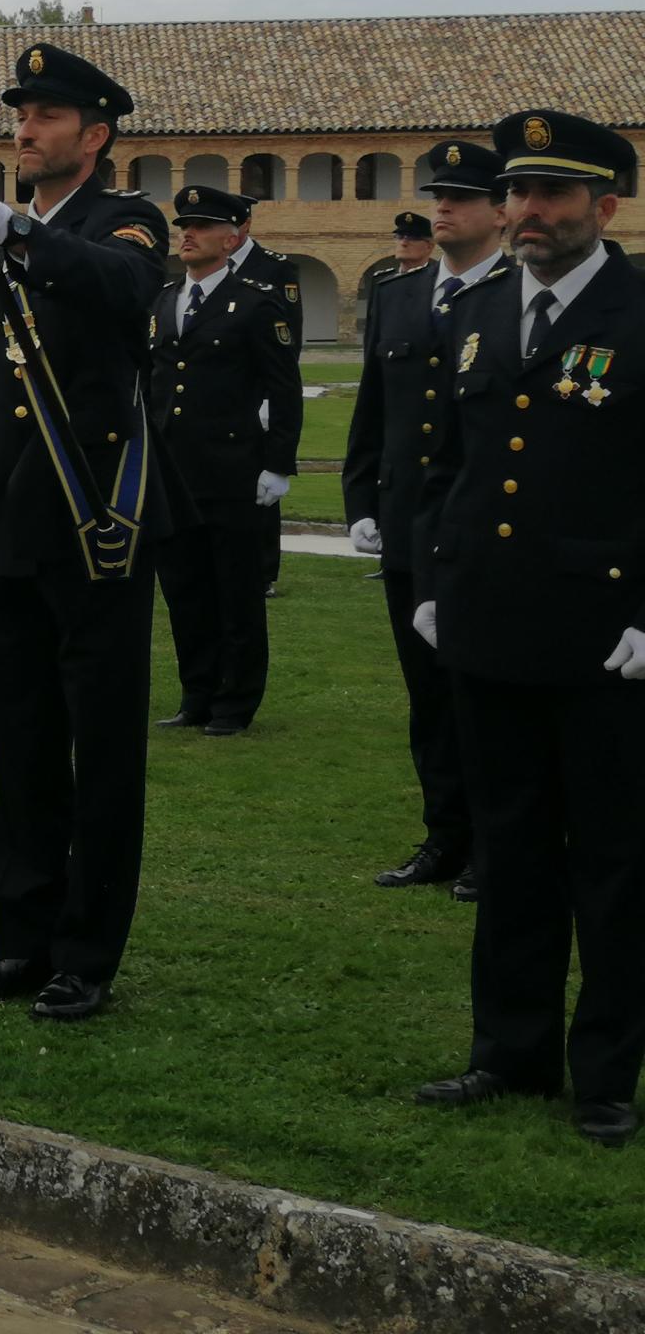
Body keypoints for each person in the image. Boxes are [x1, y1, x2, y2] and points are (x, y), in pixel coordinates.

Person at [413, 109, 644, 1151]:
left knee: (611, 861)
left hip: (604, 636)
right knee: (509, 852)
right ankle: (506, 1051)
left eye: (553, 195)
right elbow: (451, 465)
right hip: (487, 624)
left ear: (605, 205)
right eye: (518, 193)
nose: (529, 213)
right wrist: (435, 579)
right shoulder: (476, 309)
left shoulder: (638, 312)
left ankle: (602, 1074)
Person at [0, 43, 170, 1023]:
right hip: (9, 526)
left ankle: (86, 955)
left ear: (94, 133)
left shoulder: (127, 223)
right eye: (17, 117)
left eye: (43, 117)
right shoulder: (4, 238)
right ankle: (19, 946)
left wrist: (18, 240)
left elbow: (120, 288)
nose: (23, 132)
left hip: (94, 523)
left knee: (100, 752)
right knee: (20, 748)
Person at [347, 144, 510, 897]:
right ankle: (445, 834)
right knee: (427, 699)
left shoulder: (516, 295)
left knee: (486, 699)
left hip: (484, 534)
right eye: (439, 193)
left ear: (500, 211)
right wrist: (359, 504)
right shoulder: (400, 294)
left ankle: (497, 844)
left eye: (463, 196)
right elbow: (374, 412)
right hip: (410, 522)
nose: (444, 207)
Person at [148, 187, 302, 736]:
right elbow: (155, 384)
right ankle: (197, 695)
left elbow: (284, 388)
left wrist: (277, 463)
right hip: (174, 473)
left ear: (231, 238)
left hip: (232, 469)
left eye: (203, 226)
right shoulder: (165, 300)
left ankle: (235, 702)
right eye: (184, 225)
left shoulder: (257, 301)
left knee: (235, 594)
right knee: (186, 592)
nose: (187, 233)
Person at [233, 209, 302, 599]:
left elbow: (289, 337)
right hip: (225, 397)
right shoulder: (211, 268)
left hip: (262, 392)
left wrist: (272, 400)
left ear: (243, 226)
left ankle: (263, 571)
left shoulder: (275, 268)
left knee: (264, 492)